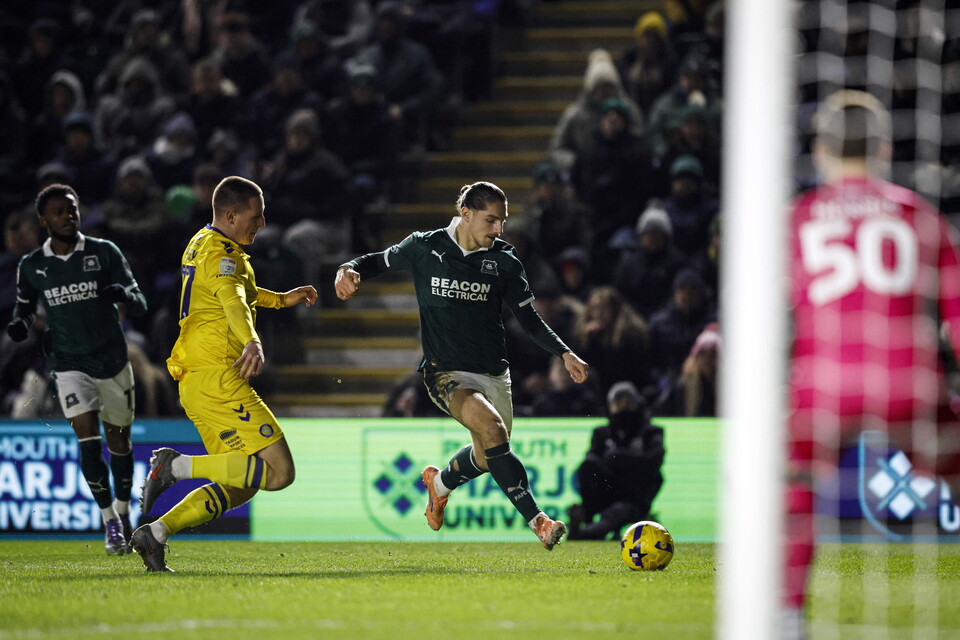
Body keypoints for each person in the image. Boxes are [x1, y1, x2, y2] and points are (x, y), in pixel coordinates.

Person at [784, 90, 960, 638]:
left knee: (791, 487)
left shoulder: (798, 218)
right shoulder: (920, 215)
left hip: (824, 386)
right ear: (884, 148)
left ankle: (787, 614)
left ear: (820, 151)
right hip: (909, 380)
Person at [335, 181, 590, 550]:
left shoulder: (504, 261)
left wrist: (564, 353)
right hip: (445, 373)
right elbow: (375, 261)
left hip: (494, 373)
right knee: (492, 429)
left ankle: (439, 484)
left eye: (502, 221)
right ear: (466, 214)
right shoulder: (424, 246)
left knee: (488, 456)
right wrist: (347, 269)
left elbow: (530, 320)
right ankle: (540, 521)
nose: (498, 228)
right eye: (491, 220)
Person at [133, 176, 318, 572]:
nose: (262, 223)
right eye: (256, 216)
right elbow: (232, 300)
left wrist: (281, 300)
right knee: (279, 472)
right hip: (218, 378)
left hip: (198, 380)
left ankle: (156, 534)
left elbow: (236, 291)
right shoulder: (222, 255)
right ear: (231, 215)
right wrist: (252, 341)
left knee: (240, 484)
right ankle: (174, 467)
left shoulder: (203, 241)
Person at [6, 183, 148, 555]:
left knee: (119, 443)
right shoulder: (32, 265)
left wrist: (124, 296)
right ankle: (110, 522)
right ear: (43, 220)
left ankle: (123, 511)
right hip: (69, 364)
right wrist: (20, 324)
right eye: (59, 211)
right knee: (88, 440)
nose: (68, 216)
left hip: (112, 361)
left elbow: (140, 301)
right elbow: (24, 308)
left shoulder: (104, 252)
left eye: (72, 209)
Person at [567, 381, 664, 540]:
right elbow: (591, 461)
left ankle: (585, 533)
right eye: (618, 404)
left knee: (618, 512)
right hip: (608, 490)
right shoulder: (602, 433)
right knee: (589, 466)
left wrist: (620, 458)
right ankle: (587, 517)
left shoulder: (650, 433)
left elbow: (654, 461)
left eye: (627, 403)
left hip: (635, 493)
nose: (623, 408)